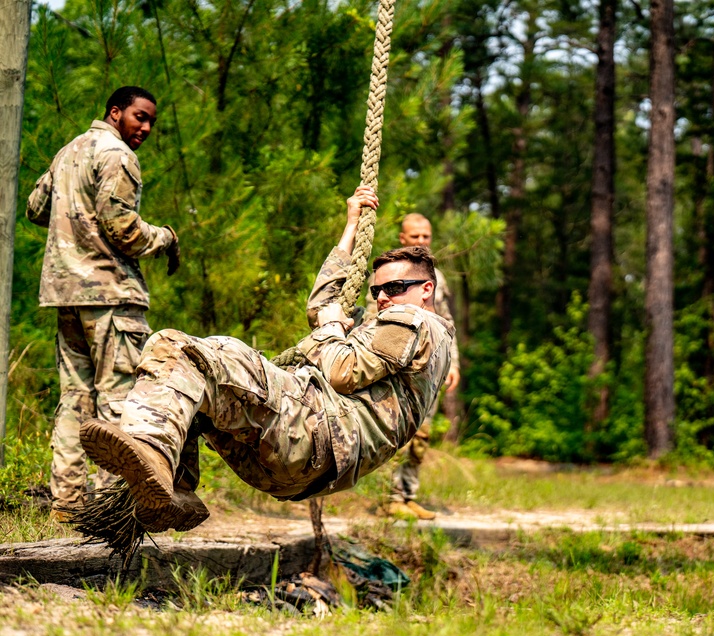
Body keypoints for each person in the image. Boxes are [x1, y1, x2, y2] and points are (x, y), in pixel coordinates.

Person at [78, 185, 455, 533]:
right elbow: (322, 308)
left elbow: (340, 371)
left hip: (315, 432)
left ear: (426, 289)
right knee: (196, 390)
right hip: (299, 466)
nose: (382, 297)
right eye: (377, 291)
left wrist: (329, 329)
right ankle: (175, 493)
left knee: (177, 349)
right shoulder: (406, 335)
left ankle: (156, 459)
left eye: (394, 288)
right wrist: (352, 226)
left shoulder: (415, 320)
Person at [26, 86, 180, 520]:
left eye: (151, 121)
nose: (145, 128)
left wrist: (71, 221)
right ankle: (109, 510)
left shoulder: (68, 151)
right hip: (110, 295)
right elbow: (124, 230)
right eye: (139, 117)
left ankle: (69, 504)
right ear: (116, 113)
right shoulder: (117, 155)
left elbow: (37, 208)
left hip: (65, 293)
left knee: (74, 399)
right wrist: (166, 238)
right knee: (118, 403)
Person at [366, 213, 460, 520]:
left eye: (426, 237)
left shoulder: (436, 278)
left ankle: (408, 496)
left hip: (428, 366)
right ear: (402, 238)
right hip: (397, 365)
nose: (421, 241)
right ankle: (389, 497)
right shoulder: (387, 276)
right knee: (397, 432)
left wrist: (452, 362)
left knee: (421, 436)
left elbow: (447, 321)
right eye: (415, 236)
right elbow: (373, 321)